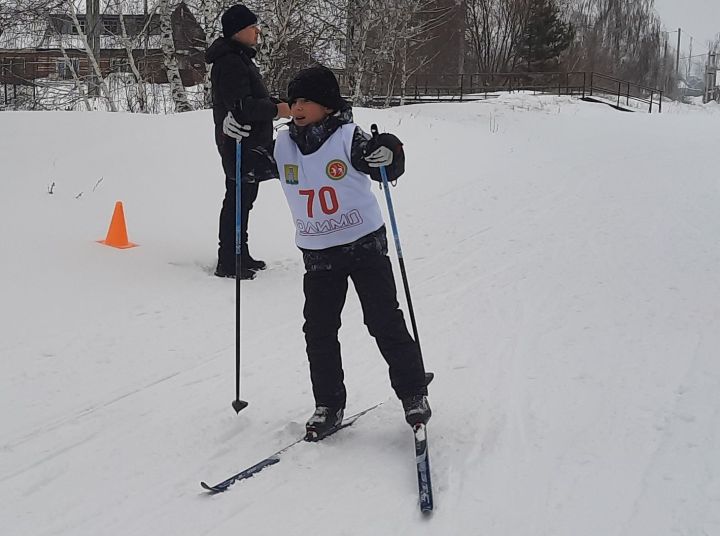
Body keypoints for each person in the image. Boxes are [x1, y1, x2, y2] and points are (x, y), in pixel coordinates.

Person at [225, 66, 431, 438]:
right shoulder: (283, 144)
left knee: (384, 321)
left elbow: (383, 159)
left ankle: (413, 393)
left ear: (328, 106)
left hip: (364, 246)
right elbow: (245, 169)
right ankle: (329, 404)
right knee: (319, 330)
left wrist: (391, 150)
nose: (298, 107)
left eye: (307, 100)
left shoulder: (347, 138)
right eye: (295, 100)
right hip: (318, 253)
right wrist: (233, 136)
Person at [205, 4, 291, 279]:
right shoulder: (230, 61)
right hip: (238, 142)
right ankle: (229, 260)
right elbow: (243, 107)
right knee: (238, 199)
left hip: (249, 141)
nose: (257, 32)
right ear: (239, 31)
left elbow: (250, 100)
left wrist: (275, 104)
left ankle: (240, 252)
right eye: (253, 27)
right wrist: (277, 110)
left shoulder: (239, 58)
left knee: (245, 199)